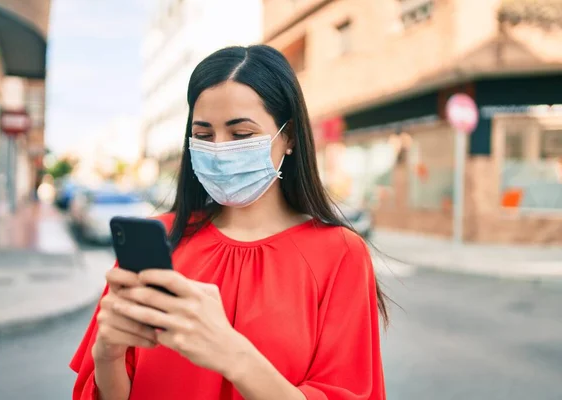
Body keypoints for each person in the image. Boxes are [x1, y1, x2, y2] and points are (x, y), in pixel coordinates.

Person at [71, 45, 388, 400]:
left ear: (290, 137)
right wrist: (107, 355)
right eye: (204, 136)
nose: (219, 150)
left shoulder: (339, 253)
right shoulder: (161, 239)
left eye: (241, 135)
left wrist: (232, 354)